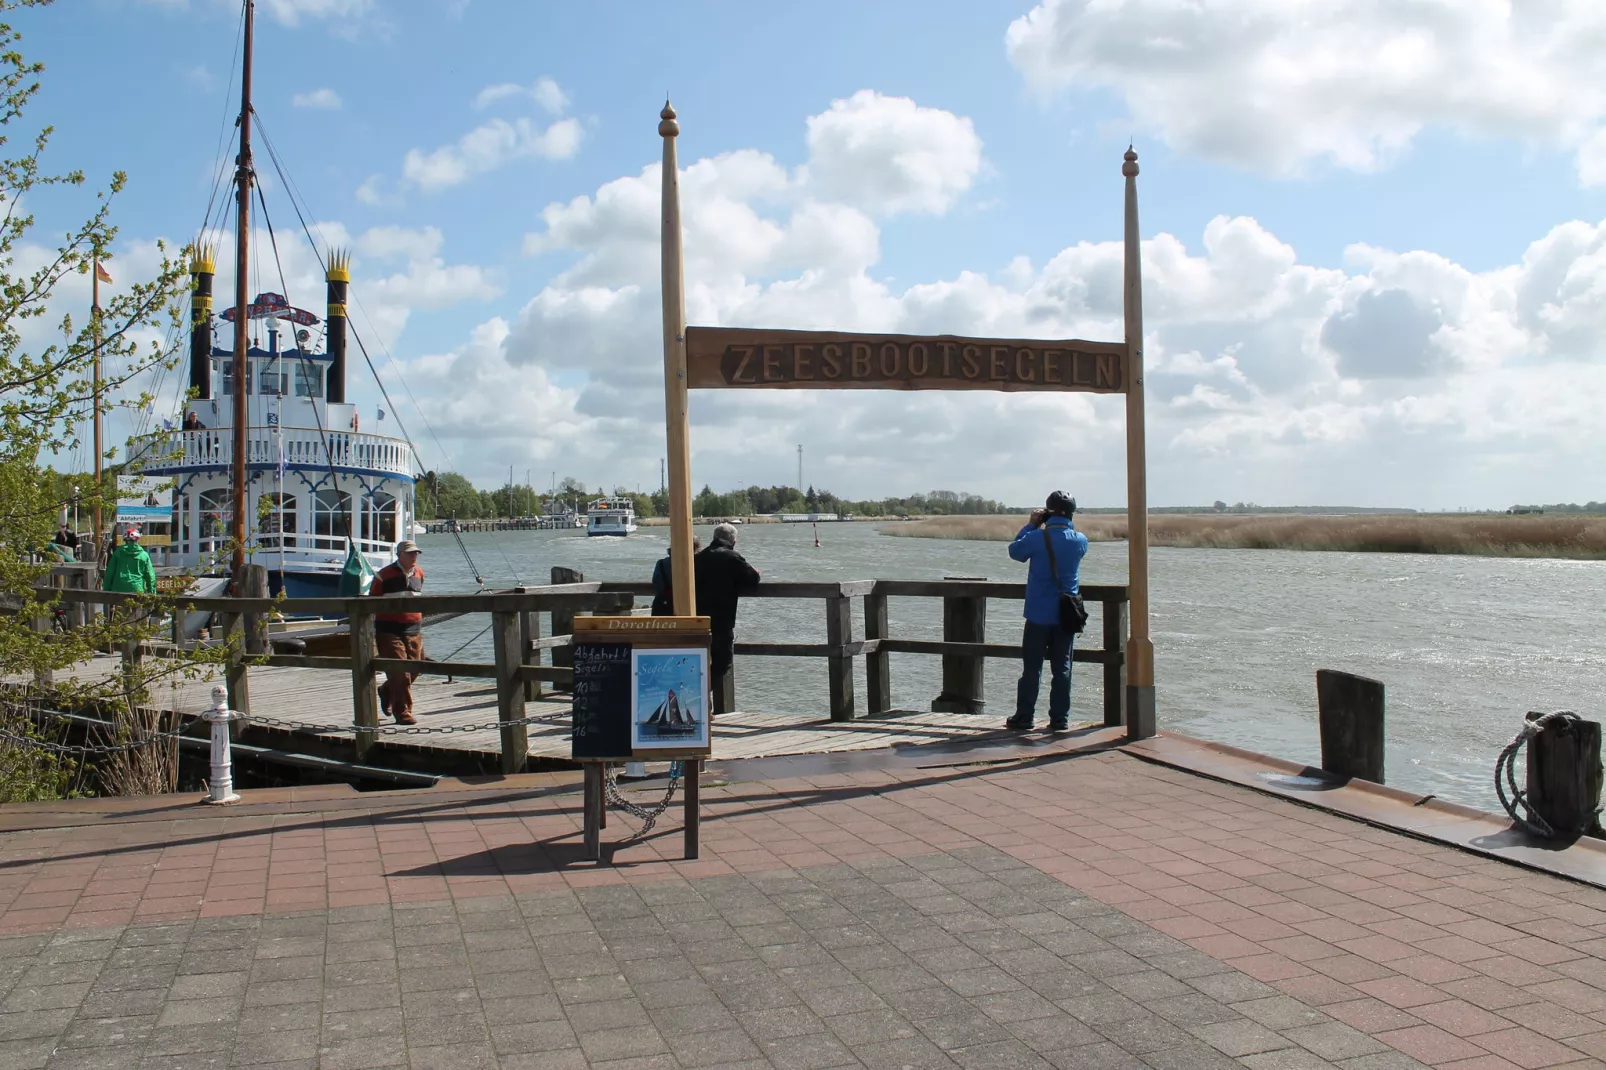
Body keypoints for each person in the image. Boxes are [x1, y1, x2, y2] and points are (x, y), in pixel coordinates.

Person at [1005, 491, 1088, 732]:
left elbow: (1015, 552)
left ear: (1047, 512)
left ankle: (1025, 716)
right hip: (1066, 614)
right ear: (1072, 513)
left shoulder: (1036, 538)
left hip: (1038, 613)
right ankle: (1059, 719)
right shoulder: (1080, 540)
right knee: (1062, 668)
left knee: (1032, 667)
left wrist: (1031, 525)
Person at [693, 523, 759, 708]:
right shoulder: (732, 557)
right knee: (723, 662)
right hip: (722, 619)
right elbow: (753, 579)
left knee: (699, 661)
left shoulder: (699, 557)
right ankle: (699, 693)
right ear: (733, 540)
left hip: (698, 620)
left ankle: (700, 698)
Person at [370, 540, 425, 725]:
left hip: (413, 627)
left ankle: (386, 690)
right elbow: (372, 600)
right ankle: (403, 712)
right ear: (400, 554)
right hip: (388, 628)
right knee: (400, 671)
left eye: (416, 553)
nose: (414, 556)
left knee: (416, 668)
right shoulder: (383, 575)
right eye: (410, 553)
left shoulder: (419, 573)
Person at [649, 536, 701, 616]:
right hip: (692, 608)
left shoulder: (661, 564)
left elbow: (657, 585)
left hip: (664, 608)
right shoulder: (699, 564)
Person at [102, 528, 156, 595]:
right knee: (135, 605)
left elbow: (110, 573)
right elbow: (150, 576)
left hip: (118, 590)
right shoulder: (144, 555)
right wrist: (152, 593)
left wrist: (106, 591)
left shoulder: (118, 553)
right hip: (137, 590)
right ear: (137, 539)